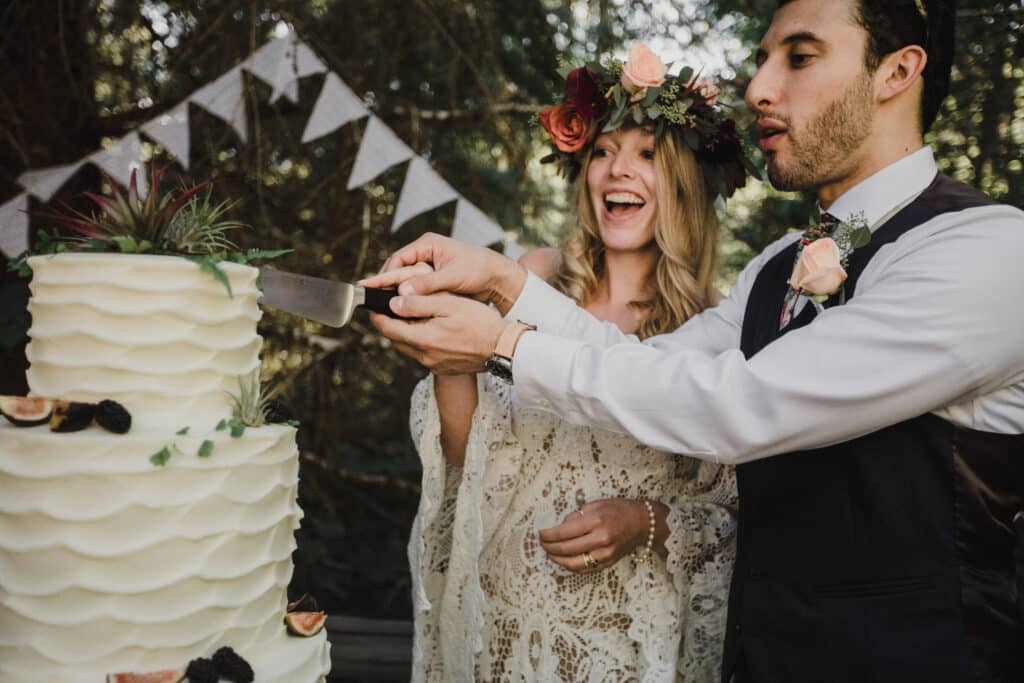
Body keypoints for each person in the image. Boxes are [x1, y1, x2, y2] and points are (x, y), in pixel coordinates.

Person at [368, 0, 1024, 680]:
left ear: (897, 71)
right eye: (766, 58)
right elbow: (647, 364)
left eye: (798, 57)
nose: (758, 88)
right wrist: (507, 283)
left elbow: (738, 405)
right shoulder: (778, 265)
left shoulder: (987, 250)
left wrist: (503, 346)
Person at [400, 44, 756, 682]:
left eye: (647, 154)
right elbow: (463, 453)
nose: (617, 171)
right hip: (504, 625)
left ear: (683, 181)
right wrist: (448, 358)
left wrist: (643, 521)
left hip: (621, 643)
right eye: (601, 151)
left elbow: (735, 519)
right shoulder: (533, 278)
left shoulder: (715, 324)